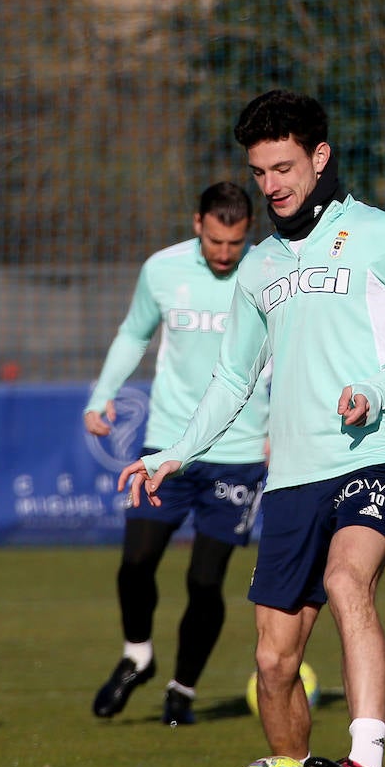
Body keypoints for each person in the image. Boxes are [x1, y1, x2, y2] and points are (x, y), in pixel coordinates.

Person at [118, 90, 385, 767]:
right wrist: (173, 454)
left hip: (372, 458)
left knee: (349, 580)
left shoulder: (383, 235)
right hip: (291, 482)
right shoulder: (258, 268)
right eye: (260, 172)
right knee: (274, 664)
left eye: (284, 167)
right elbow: (231, 378)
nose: (272, 185)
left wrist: (378, 391)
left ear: (319, 157)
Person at [86, 181, 269, 727]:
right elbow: (133, 333)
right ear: (197, 225)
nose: (224, 254)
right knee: (136, 562)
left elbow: (291, 354)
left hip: (237, 450)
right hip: (166, 444)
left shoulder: (269, 273)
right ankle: (137, 655)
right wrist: (102, 396)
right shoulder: (162, 270)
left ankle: (182, 690)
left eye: (235, 244)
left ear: (247, 235)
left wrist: (279, 427)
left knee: (205, 582)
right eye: (215, 241)